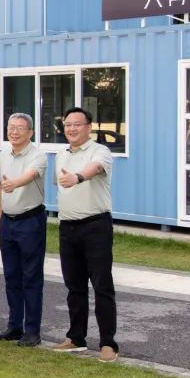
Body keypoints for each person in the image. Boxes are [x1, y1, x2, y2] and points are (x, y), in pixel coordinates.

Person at [52, 107, 119, 363]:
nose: (71, 128)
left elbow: (96, 168)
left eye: (77, 124)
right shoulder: (61, 155)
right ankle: (76, 338)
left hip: (95, 226)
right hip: (68, 227)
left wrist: (78, 177)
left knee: (102, 286)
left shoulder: (99, 151)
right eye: (67, 124)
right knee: (74, 286)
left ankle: (108, 343)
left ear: (88, 127)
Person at [0, 113, 48, 347]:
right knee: (11, 276)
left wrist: (14, 183)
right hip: (8, 222)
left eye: (20, 128)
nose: (14, 132)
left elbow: (30, 175)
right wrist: (0, 218)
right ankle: (14, 326)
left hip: (30, 222)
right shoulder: (4, 154)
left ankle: (32, 331)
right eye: (10, 127)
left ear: (30, 132)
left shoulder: (38, 155)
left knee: (31, 277)